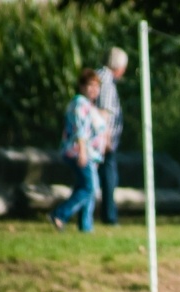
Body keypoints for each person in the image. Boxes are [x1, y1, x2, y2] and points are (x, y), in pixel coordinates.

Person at [49, 68, 107, 233]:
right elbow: (80, 130)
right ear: (82, 86)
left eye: (97, 86)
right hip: (79, 152)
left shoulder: (89, 105)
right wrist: (82, 152)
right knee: (90, 188)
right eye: (90, 85)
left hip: (91, 154)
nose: (94, 89)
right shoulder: (79, 104)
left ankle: (85, 225)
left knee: (83, 188)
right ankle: (60, 214)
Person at [95, 47, 128, 226]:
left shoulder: (97, 75)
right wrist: (106, 139)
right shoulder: (106, 81)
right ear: (118, 66)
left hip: (98, 139)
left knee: (97, 178)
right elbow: (104, 113)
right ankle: (109, 217)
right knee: (109, 178)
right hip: (104, 141)